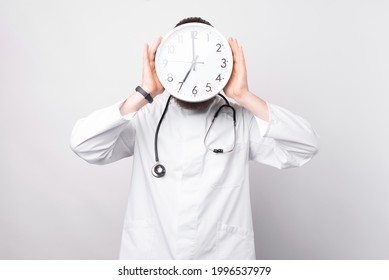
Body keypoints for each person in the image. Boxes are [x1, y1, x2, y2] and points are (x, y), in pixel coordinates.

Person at [70, 17, 319, 259]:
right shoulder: (145, 115)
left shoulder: (239, 119)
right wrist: (143, 94)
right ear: (162, 65)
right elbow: (84, 144)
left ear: (226, 66)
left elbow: (304, 147)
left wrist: (244, 96)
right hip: (152, 260)